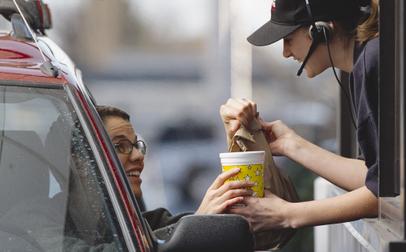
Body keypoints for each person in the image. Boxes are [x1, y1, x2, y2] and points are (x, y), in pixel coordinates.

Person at [220, 0, 380, 232]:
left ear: (322, 29)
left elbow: (393, 191)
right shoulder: (365, 62)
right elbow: (377, 179)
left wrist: (288, 214)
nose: (285, 53)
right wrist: (290, 145)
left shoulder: (371, 63)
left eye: (288, 39)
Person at [96, 105, 254, 236]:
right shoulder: (75, 232)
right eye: (120, 146)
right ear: (79, 159)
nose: (139, 155)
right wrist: (198, 222)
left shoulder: (130, 220)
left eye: (138, 145)